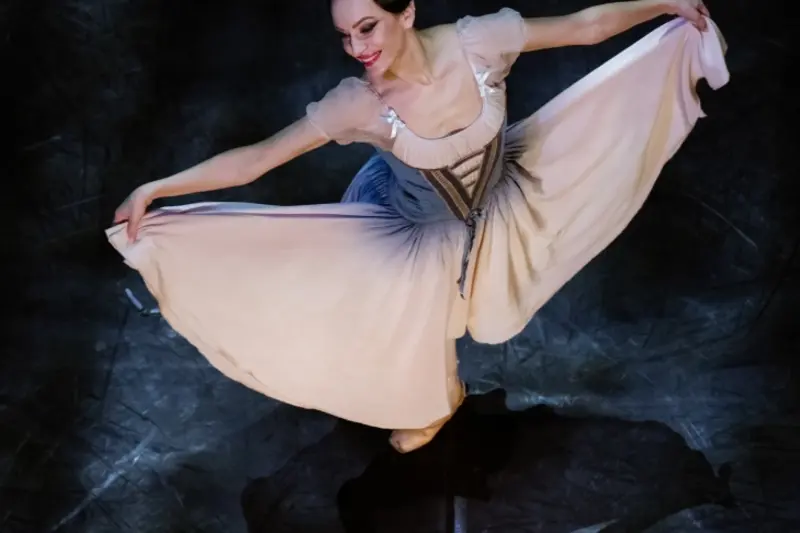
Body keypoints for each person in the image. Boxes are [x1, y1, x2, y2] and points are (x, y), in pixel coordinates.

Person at [108, 0, 728, 453]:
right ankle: (436, 402)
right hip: (417, 229)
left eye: (368, 27)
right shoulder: (361, 102)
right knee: (404, 328)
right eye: (345, 35)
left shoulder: (478, 43)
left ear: (405, 12)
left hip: (500, 197)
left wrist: (665, 3)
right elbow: (259, 160)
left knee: (510, 283)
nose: (358, 48)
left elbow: (584, 27)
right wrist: (154, 189)